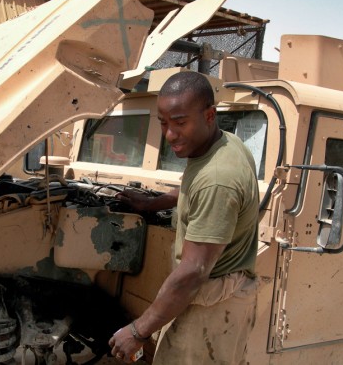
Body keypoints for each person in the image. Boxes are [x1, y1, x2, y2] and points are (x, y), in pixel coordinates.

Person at [108, 71, 259, 364]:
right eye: (163, 123)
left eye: (180, 123)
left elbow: (193, 270)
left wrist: (138, 331)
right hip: (212, 296)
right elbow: (194, 185)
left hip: (211, 305)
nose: (170, 135)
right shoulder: (222, 144)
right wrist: (155, 203)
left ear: (210, 115)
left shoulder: (219, 178)